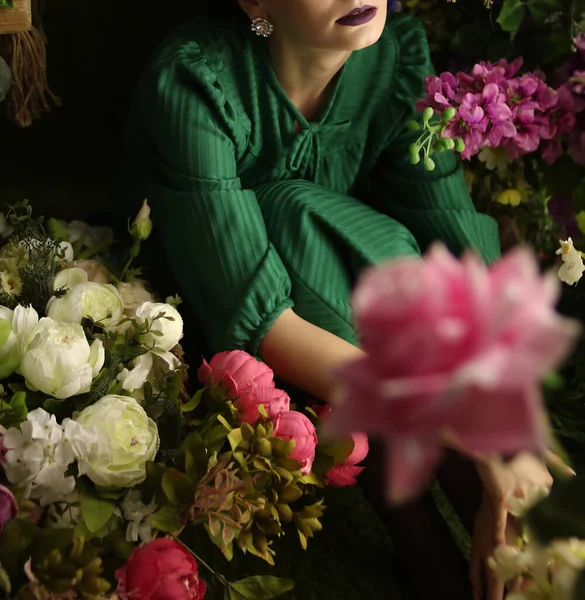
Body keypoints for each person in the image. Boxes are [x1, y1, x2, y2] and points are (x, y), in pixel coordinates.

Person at [120, 1, 561, 597]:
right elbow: (262, 322)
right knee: (291, 211)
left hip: (356, 322)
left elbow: (447, 226)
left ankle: (502, 536)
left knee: (407, 260)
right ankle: (430, 524)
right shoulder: (196, 81)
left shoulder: (395, 54)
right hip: (220, 335)